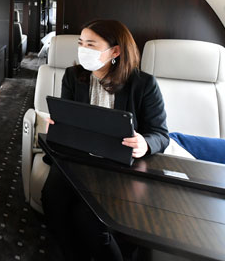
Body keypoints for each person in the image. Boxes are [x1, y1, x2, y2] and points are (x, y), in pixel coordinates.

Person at [42, 19, 169, 261]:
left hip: (117, 165)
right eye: (81, 43)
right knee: (52, 202)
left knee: (90, 219)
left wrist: (145, 143)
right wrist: (57, 124)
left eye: (91, 44)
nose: (83, 50)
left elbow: (161, 134)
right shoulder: (73, 76)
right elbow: (66, 116)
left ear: (115, 51)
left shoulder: (143, 85)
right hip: (76, 158)